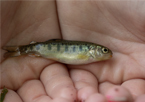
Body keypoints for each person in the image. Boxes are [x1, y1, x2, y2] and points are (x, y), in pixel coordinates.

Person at [1, 1, 145, 102]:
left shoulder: (91, 54)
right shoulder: (87, 53)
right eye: (104, 50)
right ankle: (20, 51)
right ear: (93, 50)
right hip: (41, 48)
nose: (108, 53)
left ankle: (19, 51)